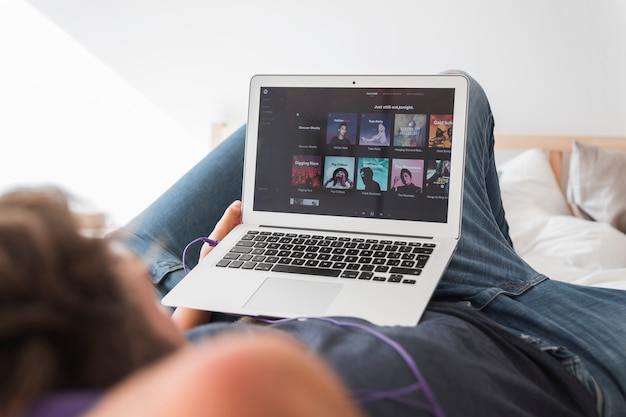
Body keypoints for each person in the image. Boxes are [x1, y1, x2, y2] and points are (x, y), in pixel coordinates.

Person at [3, 72, 626, 417]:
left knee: (449, 90)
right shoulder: (227, 383)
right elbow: (236, 382)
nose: (125, 270)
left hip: (208, 320)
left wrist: (205, 293)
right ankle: (498, 263)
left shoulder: (155, 357)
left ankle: (447, 246)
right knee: (455, 92)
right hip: (549, 348)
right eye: (106, 270)